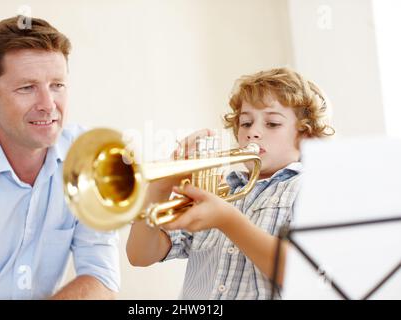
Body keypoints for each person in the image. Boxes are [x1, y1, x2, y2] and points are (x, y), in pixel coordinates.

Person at [127, 67, 335, 299]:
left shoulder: (310, 189)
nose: (253, 132)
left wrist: (227, 220)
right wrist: (160, 187)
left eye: (272, 123)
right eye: (246, 123)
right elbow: (139, 255)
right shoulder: (221, 189)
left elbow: (301, 273)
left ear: (306, 135)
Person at [0, 16, 120, 299]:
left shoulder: (88, 156)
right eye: (27, 88)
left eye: (57, 85)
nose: (48, 105)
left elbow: (101, 278)